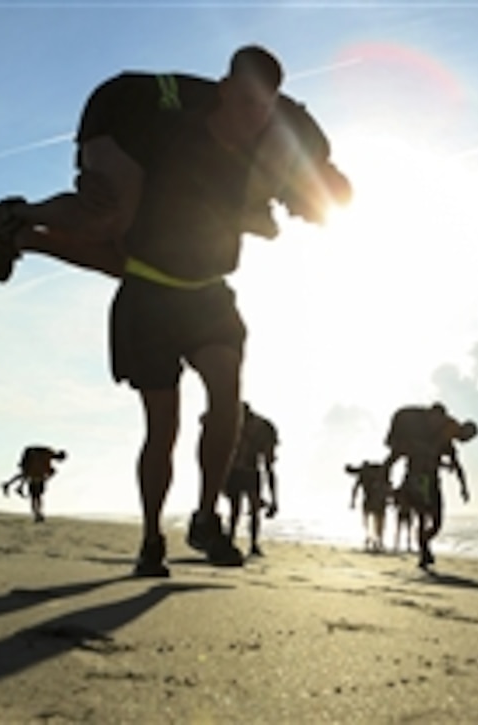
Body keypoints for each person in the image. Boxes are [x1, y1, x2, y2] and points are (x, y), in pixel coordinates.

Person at [104, 46, 295, 578]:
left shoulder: (258, 151)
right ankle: (149, 539)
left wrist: (268, 213)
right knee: (162, 425)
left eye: (266, 106)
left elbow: (263, 207)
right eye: (249, 100)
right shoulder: (180, 134)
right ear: (225, 88)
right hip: (149, 293)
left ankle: (207, 516)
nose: (256, 114)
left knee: (227, 393)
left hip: (209, 294)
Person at [0, 53, 352, 292]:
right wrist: (255, 220)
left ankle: (19, 238)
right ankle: (18, 213)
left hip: (157, 147)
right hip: (130, 112)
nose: (303, 219)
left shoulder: (287, 163)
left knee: (136, 266)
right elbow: (237, 203)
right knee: (108, 217)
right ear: (320, 189)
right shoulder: (298, 148)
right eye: (315, 215)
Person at [381, 403, 478, 569]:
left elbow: (457, 466)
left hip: (433, 481)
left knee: (437, 521)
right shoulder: (414, 438)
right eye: (467, 436)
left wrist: (463, 487)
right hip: (415, 480)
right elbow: (393, 457)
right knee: (421, 517)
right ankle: (424, 552)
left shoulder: (446, 442)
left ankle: (424, 544)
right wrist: (386, 476)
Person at [221, 402, 279, 557]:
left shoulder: (262, 429)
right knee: (239, 509)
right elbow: (269, 466)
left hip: (247, 472)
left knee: (244, 509)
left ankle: (248, 542)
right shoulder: (262, 428)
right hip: (239, 472)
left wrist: (274, 499)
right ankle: (242, 541)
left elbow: (269, 465)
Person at [1, 446, 68, 523]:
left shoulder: (47, 455)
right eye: (60, 460)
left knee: (36, 495)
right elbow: (33, 468)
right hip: (35, 473)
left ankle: (37, 513)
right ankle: (37, 514)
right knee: (35, 496)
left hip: (36, 473)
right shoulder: (47, 454)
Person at [346, 460, 392, 553]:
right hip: (380, 499)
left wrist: (353, 501)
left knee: (367, 518)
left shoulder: (363, 474)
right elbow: (388, 486)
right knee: (379, 519)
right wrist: (389, 498)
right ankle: (379, 540)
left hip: (369, 498)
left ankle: (369, 537)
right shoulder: (381, 472)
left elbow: (355, 488)